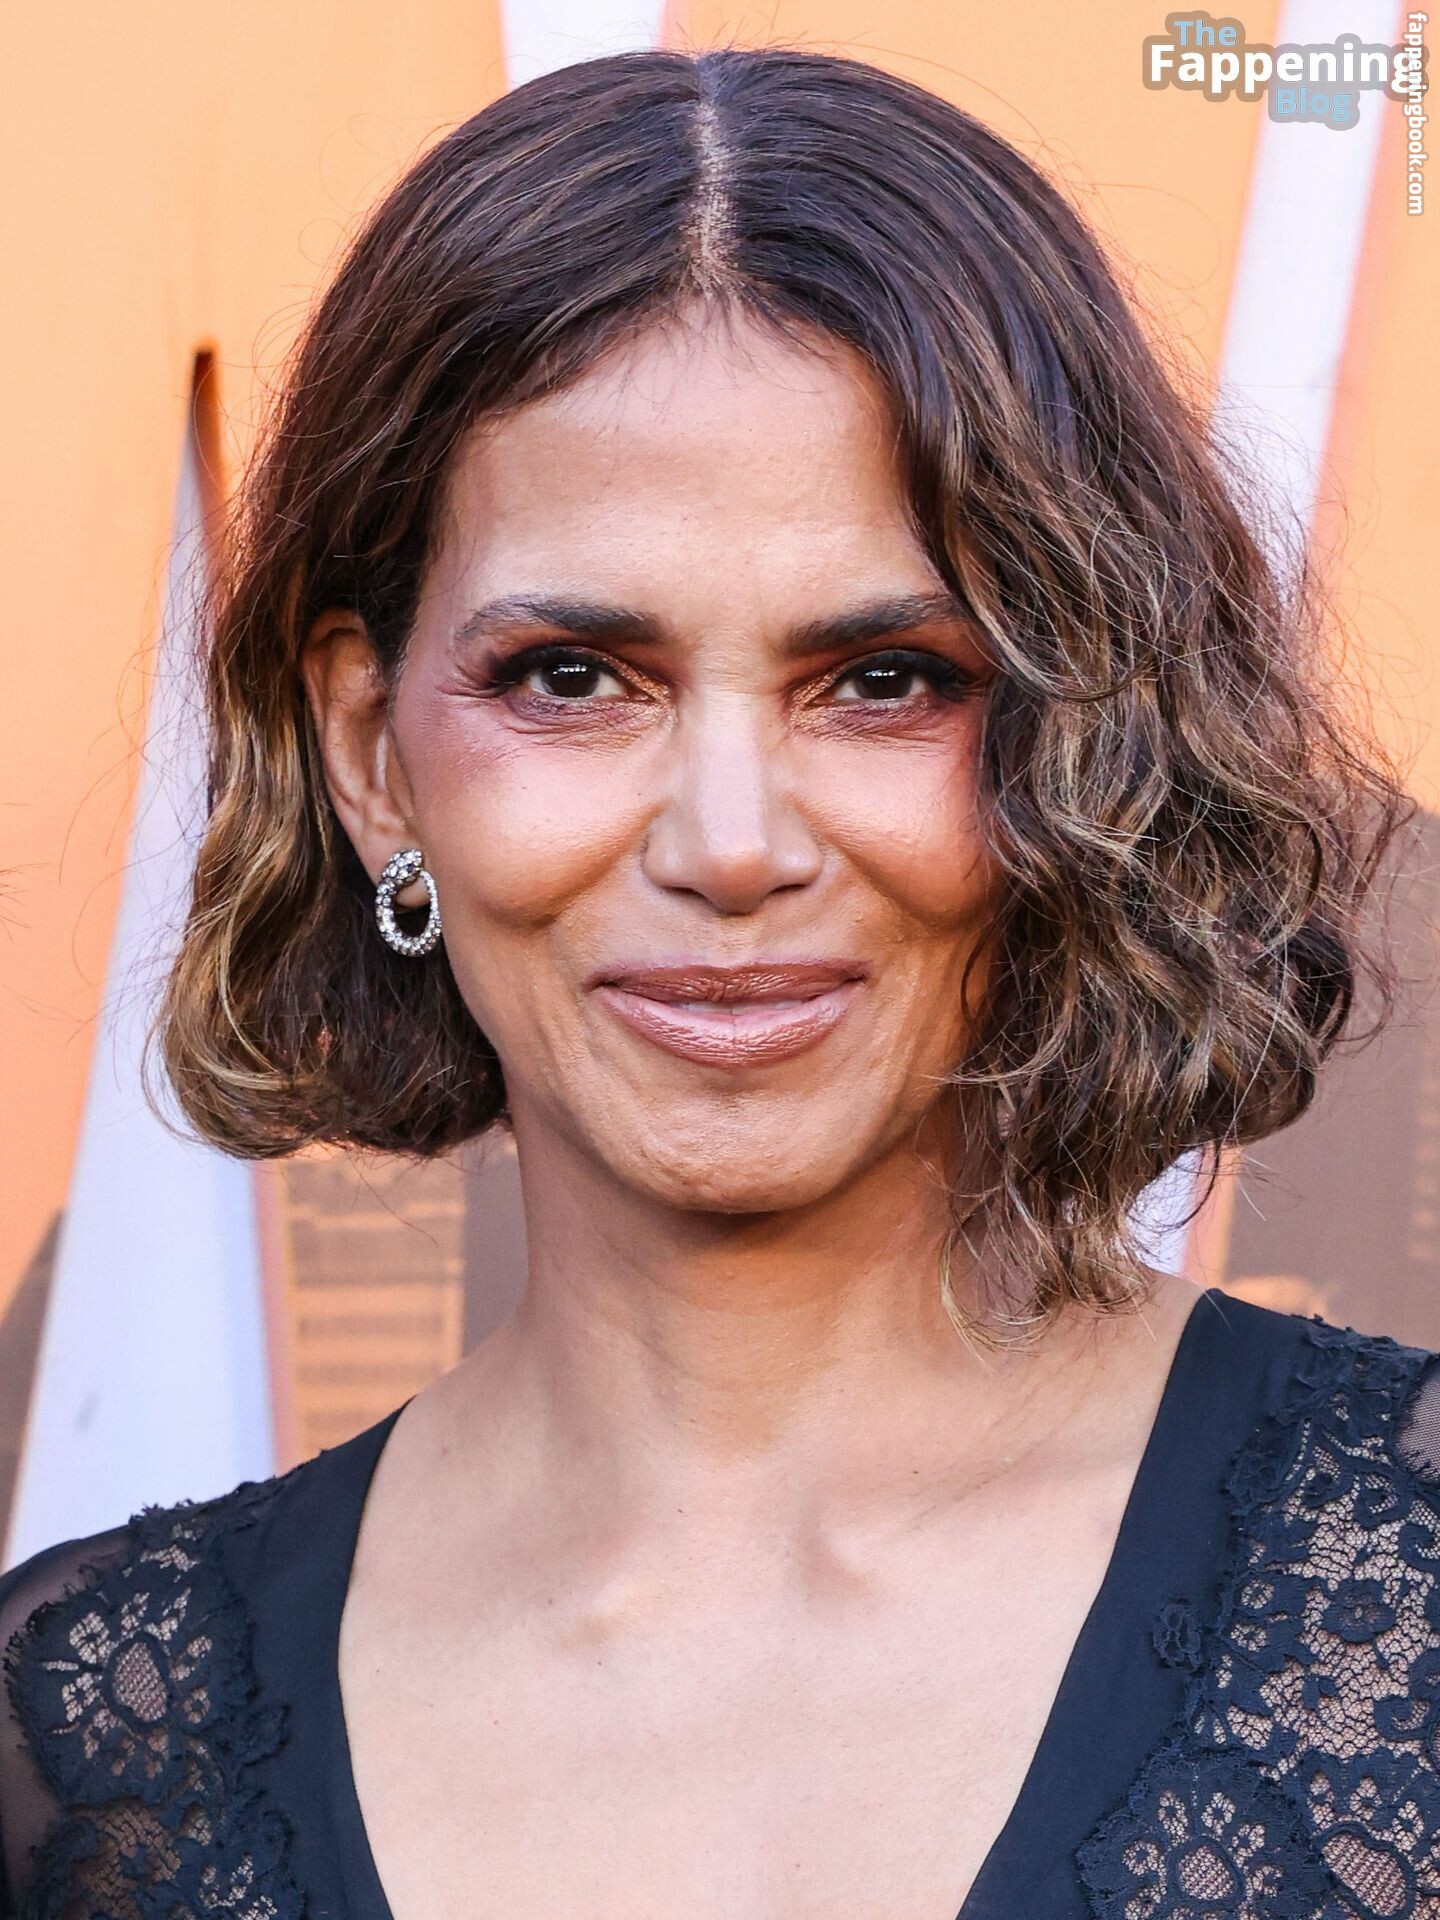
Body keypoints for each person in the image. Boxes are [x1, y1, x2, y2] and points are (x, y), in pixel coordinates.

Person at [0, 42, 1429, 1920]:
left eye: (888, 679)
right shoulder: (91, 1745)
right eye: (573, 679)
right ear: (368, 753)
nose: (731, 843)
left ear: (1085, 736)